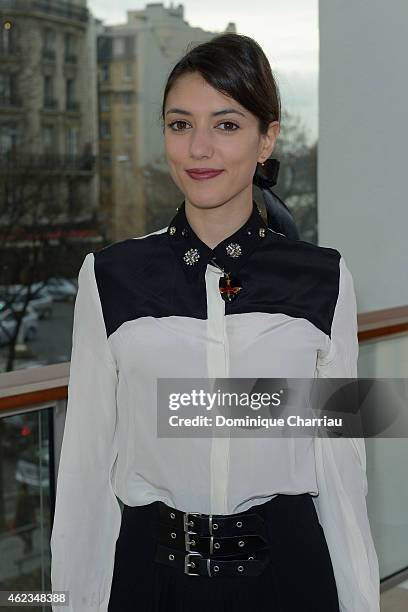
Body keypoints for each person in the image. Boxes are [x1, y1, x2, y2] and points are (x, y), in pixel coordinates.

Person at [50, 33, 380, 611]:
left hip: (289, 576)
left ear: (266, 139)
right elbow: (84, 471)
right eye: (181, 125)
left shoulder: (324, 279)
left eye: (226, 125)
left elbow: (342, 470)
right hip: (150, 580)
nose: (199, 148)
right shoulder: (109, 277)